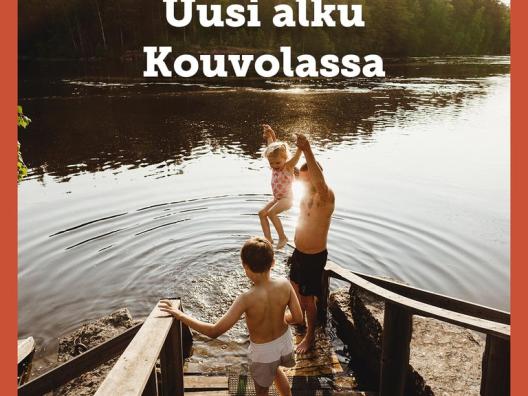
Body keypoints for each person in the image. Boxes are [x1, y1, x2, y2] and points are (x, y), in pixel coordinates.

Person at [159, 237, 303, 396]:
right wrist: (279, 319)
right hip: (284, 344)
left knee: (262, 390)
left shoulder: (246, 298)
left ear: (245, 267)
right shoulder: (284, 283)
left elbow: (214, 331)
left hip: (263, 353)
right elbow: (298, 317)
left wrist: (180, 315)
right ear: (273, 262)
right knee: (275, 369)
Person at [286, 133, 335, 354]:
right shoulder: (305, 191)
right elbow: (288, 168)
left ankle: (310, 336)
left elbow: (319, 182)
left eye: (309, 180)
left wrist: (307, 149)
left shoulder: (325, 196)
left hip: (313, 257)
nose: (304, 183)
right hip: (299, 252)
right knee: (294, 290)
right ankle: (299, 321)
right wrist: (272, 140)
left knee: (308, 300)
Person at [259, 124, 302, 250]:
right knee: (262, 213)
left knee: (272, 213)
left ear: (285, 159)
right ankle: (268, 240)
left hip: (287, 199)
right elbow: (271, 147)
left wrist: (300, 148)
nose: (274, 165)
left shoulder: (288, 167)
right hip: (277, 198)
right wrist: (269, 133)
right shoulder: (274, 165)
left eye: (277, 162)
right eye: (271, 163)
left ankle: (282, 237)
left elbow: (296, 158)